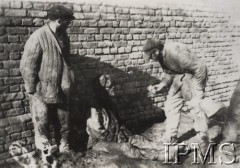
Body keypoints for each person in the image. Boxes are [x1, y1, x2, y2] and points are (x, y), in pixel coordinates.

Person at [20, 5, 75, 158]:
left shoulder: (64, 36)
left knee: (64, 121)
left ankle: (64, 148)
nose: (69, 25)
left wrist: (69, 78)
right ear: (59, 20)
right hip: (41, 89)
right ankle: (44, 153)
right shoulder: (38, 36)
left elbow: (67, 60)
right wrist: (32, 89)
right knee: (42, 122)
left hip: (61, 88)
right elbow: (27, 65)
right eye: (68, 22)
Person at [143, 39, 209, 146]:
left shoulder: (176, 52)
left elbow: (200, 68)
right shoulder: (161, 57)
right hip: (179, 78)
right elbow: (169, 73)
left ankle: (203, 135)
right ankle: (171, 136)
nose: (151, 59)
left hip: (193, 77)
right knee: (170, 105)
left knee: (195, 105)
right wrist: (161, 85)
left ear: (156, 51)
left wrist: (198, 90)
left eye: (151, 56)